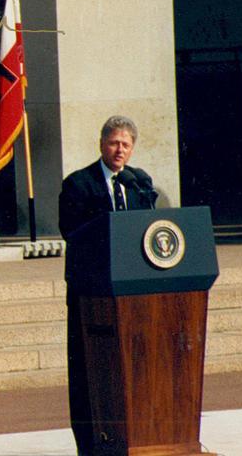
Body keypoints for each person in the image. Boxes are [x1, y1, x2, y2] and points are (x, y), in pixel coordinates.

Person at [57, 115, 156, 455]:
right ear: (102, 144)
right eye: (114, 143)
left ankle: (136, 438)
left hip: (132, 298)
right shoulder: (78, 185)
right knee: (89, 372)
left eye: (126, 145)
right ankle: (90, 445)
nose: (119, 150)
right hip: (92, 294)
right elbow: (72, 232)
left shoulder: (140, 183)